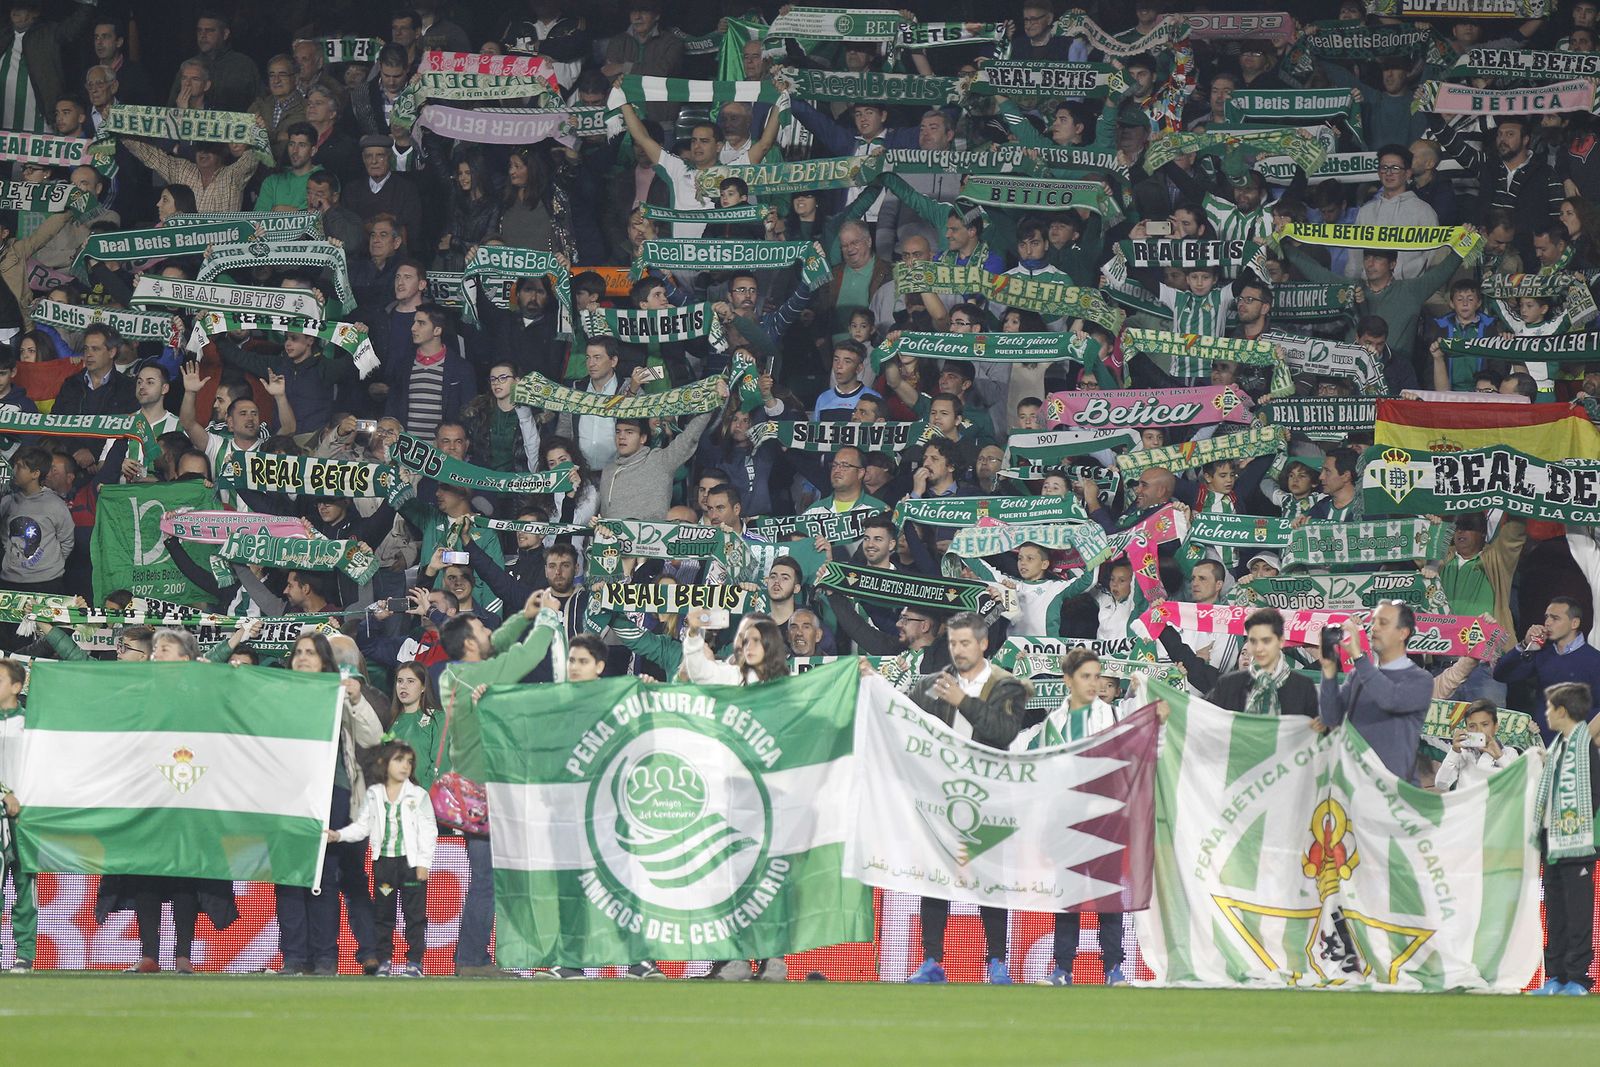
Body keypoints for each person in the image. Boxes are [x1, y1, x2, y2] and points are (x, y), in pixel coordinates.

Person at [437, 589, 568, 977]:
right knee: (487, 883)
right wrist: (546, 618)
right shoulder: (472, 675)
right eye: (481, 628)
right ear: (468, 644)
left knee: (491, 881)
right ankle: (472, 961)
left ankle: (478, 958)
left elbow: (496, 648)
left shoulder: (459, 673)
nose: (488, 631)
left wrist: (523, 615)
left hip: (490, 791)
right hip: (487, 795)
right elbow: (523, 658)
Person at [901, 612, 1030, 986]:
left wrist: (964, 702)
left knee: (988, 881)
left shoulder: (1008, 686)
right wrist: (872, 684)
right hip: (941, 796)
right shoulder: (930, 684)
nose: (957, 651)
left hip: (988, 798)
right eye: (953, 643)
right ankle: (931, 961)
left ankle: (996, 962)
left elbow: (1003, 731)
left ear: (983, 644)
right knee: (936, 878)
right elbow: (899, 717)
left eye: (965, 643)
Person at [1011, 649, 1127, 986]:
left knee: (1108, 897)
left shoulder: (1113, 716)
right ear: (1068, 680)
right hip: (1065, 820)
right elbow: (1023, 754)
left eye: (1096, 676)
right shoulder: (1053, 723)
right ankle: (1062, 968)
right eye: (1085, 677)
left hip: (1103, 818)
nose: (1093, 683)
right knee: (1067, 897)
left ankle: (1113, 969)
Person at [272, 632, 384, 976]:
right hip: (286, 794)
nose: (303, 658)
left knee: (325, 876)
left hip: (330, 793)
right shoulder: (277, 694)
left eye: (311, 653)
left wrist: (355, 700)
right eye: (298, 652)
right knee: (289, 875)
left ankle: (324, 958)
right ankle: (294, 957)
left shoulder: (337, 694)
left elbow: (374, 738)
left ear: (325, 662)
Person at [329, 740, 437, 978]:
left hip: (410, 865)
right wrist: (339, 835)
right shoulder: (374, 794)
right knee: (383, 914)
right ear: (384, 763)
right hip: (385, 865)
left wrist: (423, 863)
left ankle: (415, 962)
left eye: (409, 762)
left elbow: (429, 829)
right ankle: (384, 961)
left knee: (414, 915)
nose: (405, 766)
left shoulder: (418, 795)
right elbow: (362, 826)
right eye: (399, 760)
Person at [1530, 682, 1600, 995]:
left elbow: (1595, 794)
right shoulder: (1557, 748)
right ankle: (1555, 977)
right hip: (1553, 844)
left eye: (1549, 707)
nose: (1546, 713)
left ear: (1561, 711)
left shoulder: (1586, 749)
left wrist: (1573, 825)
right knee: (1556, 914)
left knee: (1578, 916)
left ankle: (1579, 978)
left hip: (1579, 845)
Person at [1317, 601, 1434, 784]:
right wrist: (1329, 670)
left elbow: (1390, 699)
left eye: (1383, 623)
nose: (1374, 628)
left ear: (1403, 633)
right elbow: (1331, 718)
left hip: (1396, 791)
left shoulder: (1421, 679)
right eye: (1373, 622)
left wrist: (1358, 656)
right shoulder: (1359, 675)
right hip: (1356, 786)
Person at [1494, 598, 1600, 721]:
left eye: (1555, 618)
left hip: (1577, 737)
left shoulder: (1595, 660)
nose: (1547, 623)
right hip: (1541, 736)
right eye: (1547, 617)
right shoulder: (1542, 653)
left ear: (1574, 623)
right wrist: (1525, 644)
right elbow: (1501, 674)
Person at [1207, 608, 1319, 718]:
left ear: (1280, 642)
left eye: (1266, 641)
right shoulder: (1228, 684)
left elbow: (1317, 730)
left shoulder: (1303, 687)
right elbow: (1203, 715)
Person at [0, 659, 33, 972]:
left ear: (16, 687)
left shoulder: (32, 726)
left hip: (26, 820)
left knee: (26, 890)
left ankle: (24, 956)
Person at [1433, 700, 1519, 792]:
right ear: (1466, 729)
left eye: (1485, 724)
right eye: (1472, 726)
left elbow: (1518, 786)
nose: (1479, 730)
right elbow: (1441, 784)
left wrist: (1500, 757)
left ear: (1495, 727)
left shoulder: (1509, 753)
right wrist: (1454, 751)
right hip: (1465, 805)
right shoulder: (1462, 753)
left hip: (1492, 805)